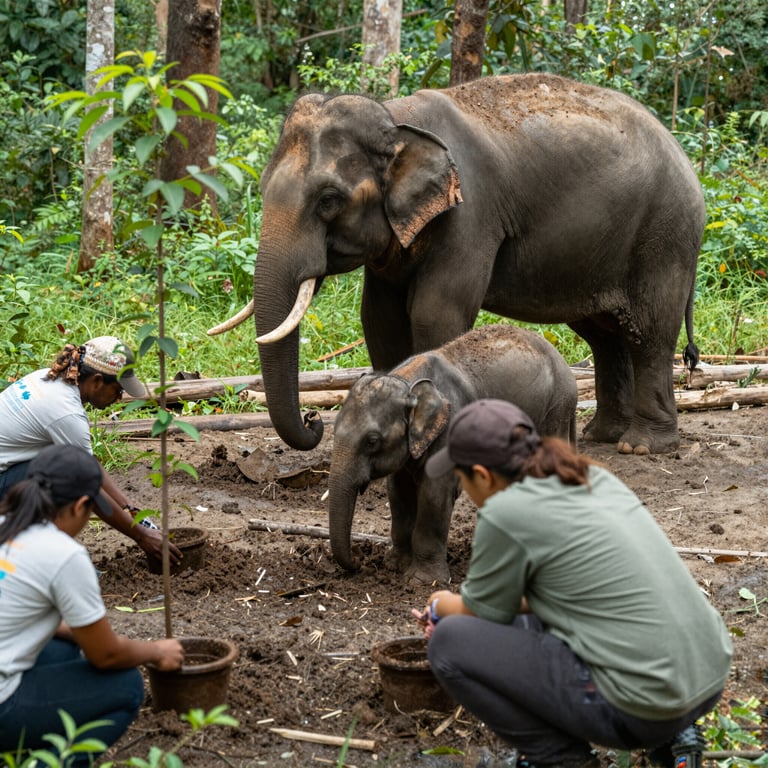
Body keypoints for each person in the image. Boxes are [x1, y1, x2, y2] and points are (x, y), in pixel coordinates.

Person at [412, 399, 732, 768]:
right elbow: (565, 594)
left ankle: (561, 760)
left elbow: (476, 611)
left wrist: (440, 605)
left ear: (482, 476)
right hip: (705, 674)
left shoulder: (505, 512)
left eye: (462, 479)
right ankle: (674, 740)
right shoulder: (588, 476)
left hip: (645, 706)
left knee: (450, 642)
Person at [0, 445, 184, 764]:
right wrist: (156, 651)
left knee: (63, 650)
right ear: (81, 505)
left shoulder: (7, 522)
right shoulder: (64, 554)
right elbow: (106, 656)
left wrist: (74, 631)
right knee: (125, 688)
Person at [0, 336, 181, 562]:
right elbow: (88, 483)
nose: (119, 398)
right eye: (118, 390)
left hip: (7, 471)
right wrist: (142, 536)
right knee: (68, 478)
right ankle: (40, 560)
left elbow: (89, 464)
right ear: (96, 381)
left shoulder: (48, 379)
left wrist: (129, 507)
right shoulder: (66, 413)